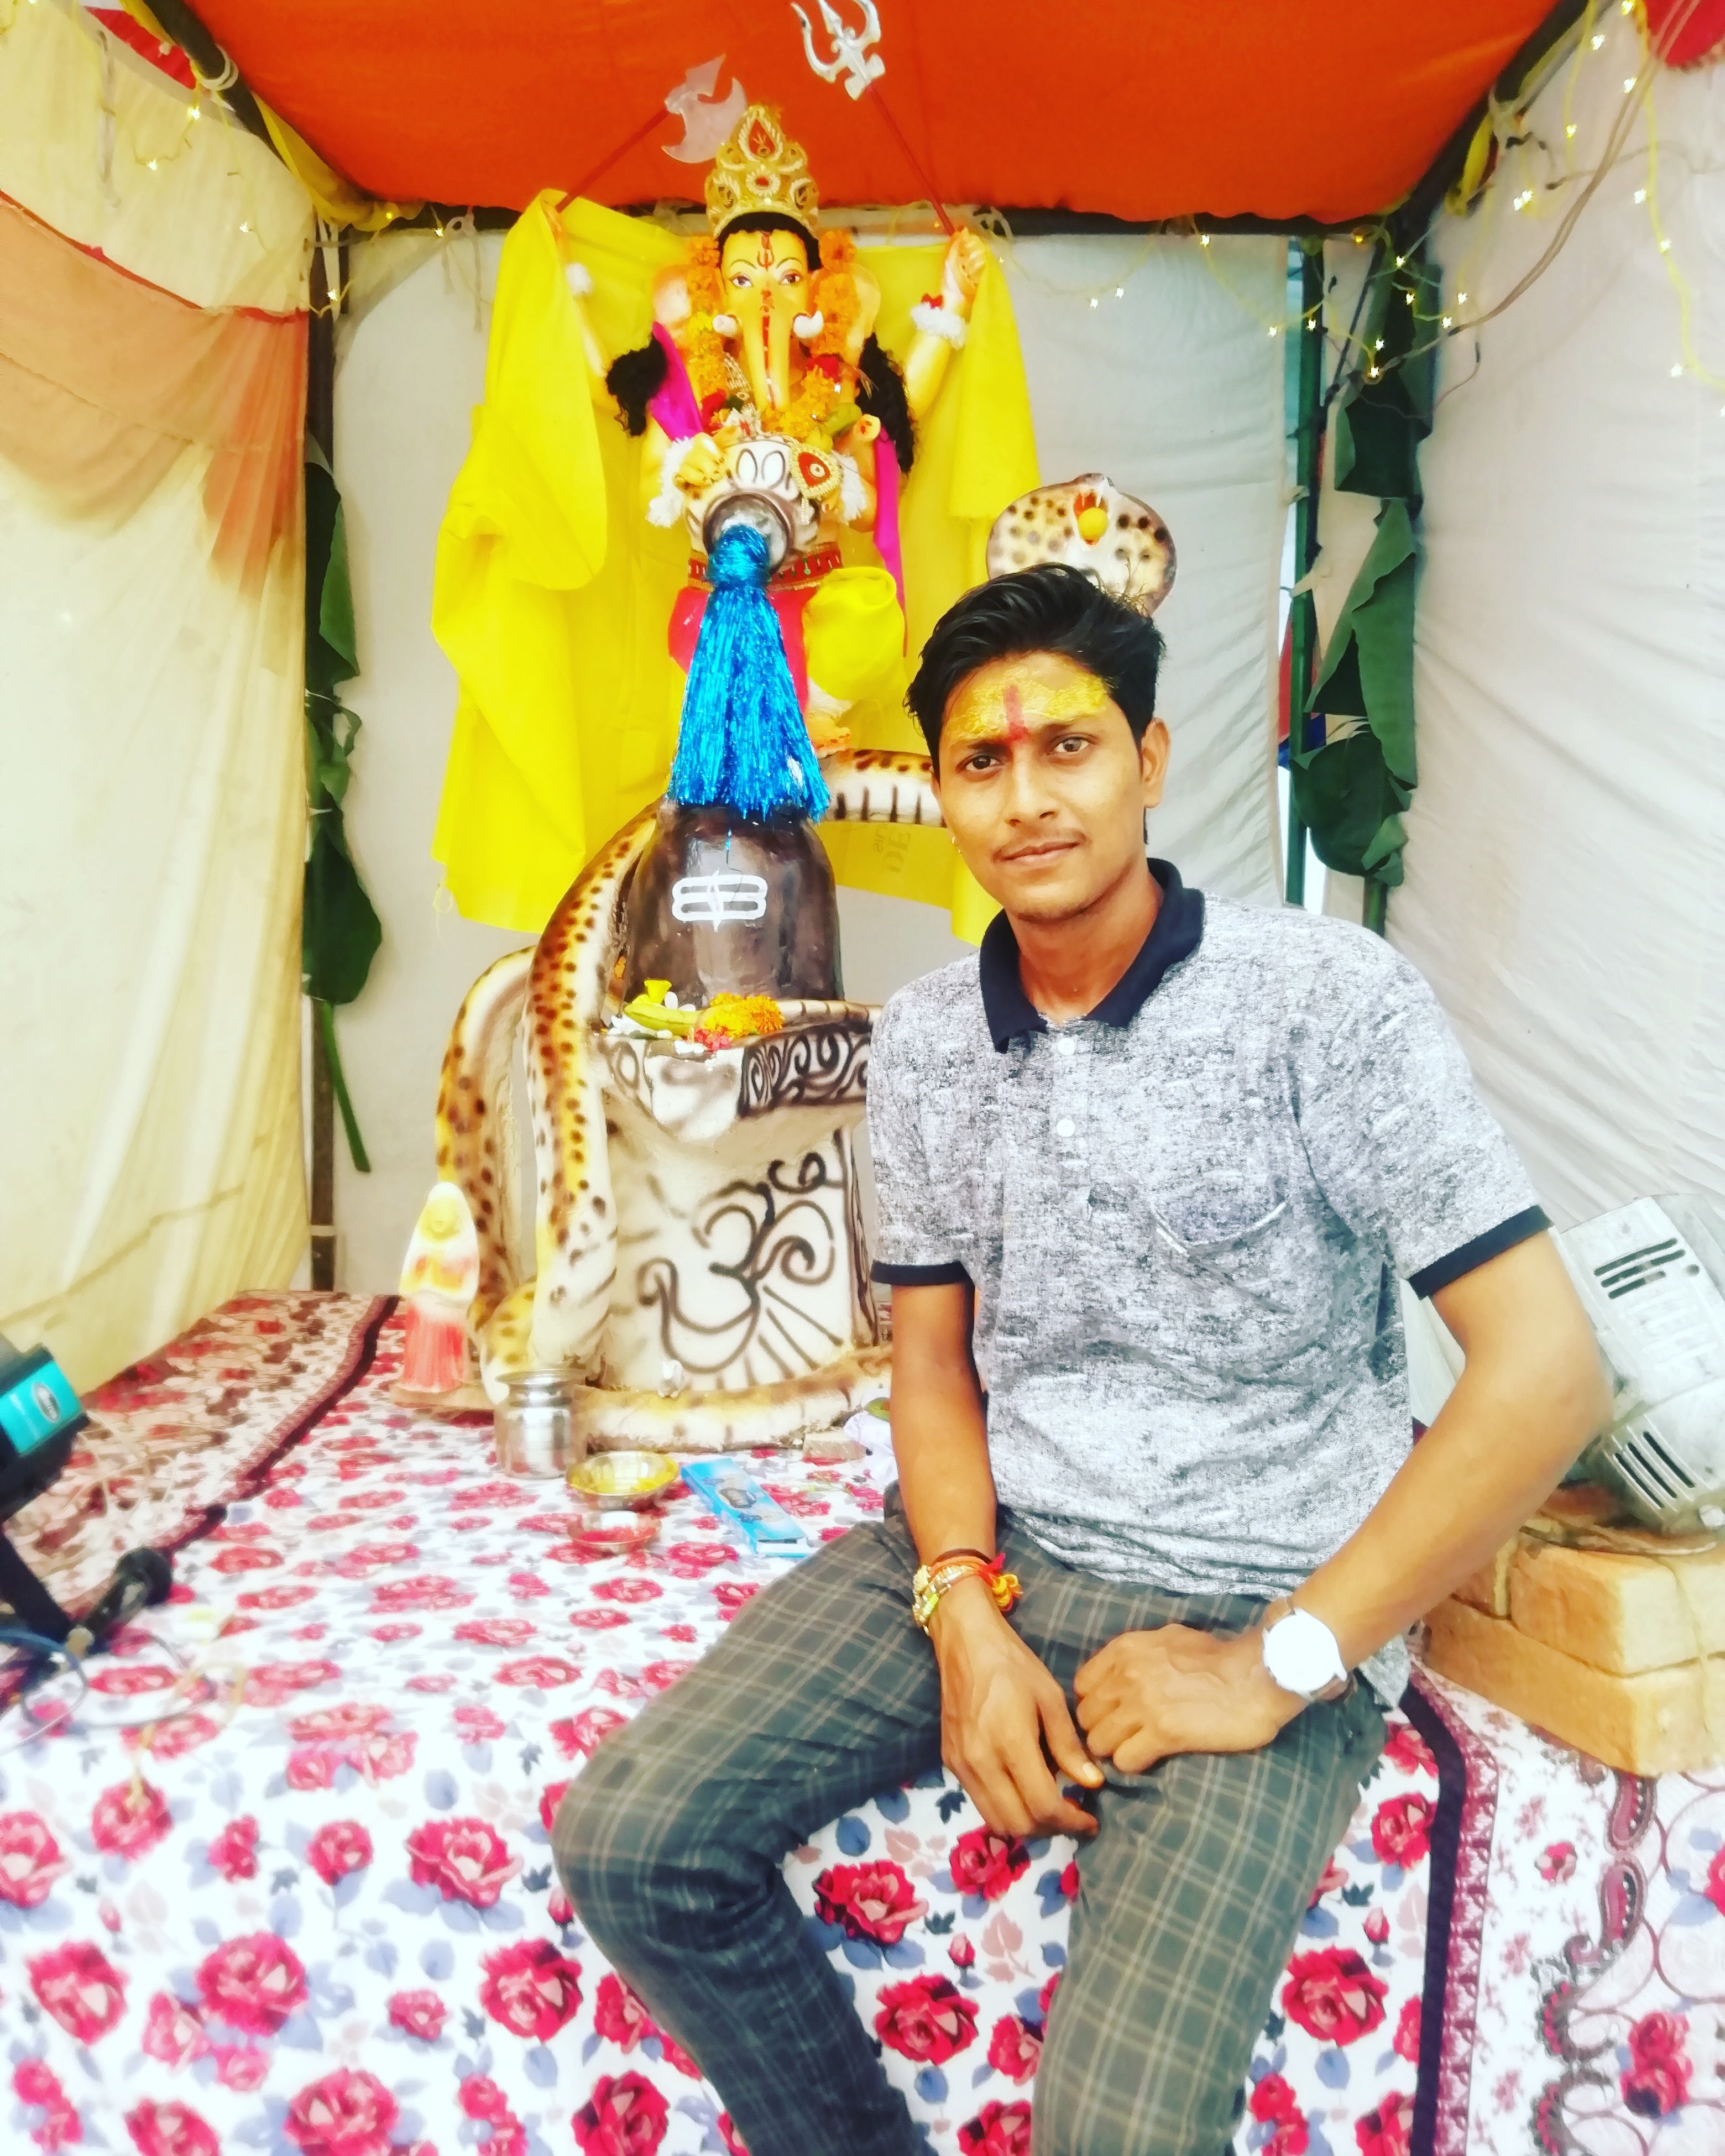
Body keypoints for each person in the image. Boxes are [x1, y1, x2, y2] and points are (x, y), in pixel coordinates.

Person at [553, 563, 1607, 2155]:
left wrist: (1274, 1664)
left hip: (1259, 1584)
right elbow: (932, 1362)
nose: (1028, 796)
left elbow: (1546, 1371)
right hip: (1010, 1547)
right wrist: (963, 1608)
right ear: (943, 791)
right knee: (635, 1838)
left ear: (1151, 758)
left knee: (1115, 2128)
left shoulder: (1323, 1003)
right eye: (982, 760)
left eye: (1071, 746)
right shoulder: (925, 1041)